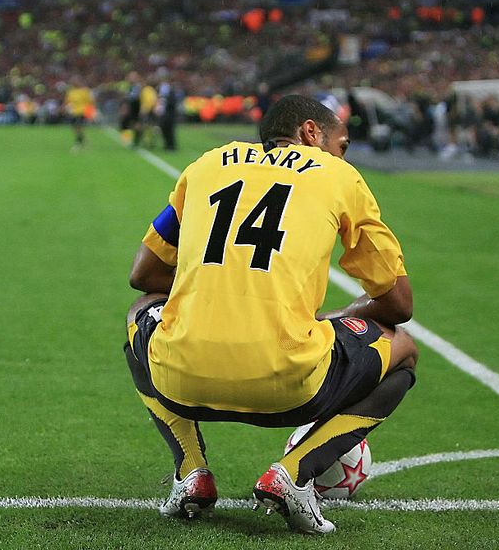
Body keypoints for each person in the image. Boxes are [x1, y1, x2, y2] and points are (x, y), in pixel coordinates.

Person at [123, 95, 418, 534]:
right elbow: (399, 304)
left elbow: (143, 274)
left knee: (138, 314)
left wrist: (211, 287)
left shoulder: (209, 164)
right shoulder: (339, 176)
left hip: (181, 380)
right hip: (292, 388)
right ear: (311, 133)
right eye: (343, 144)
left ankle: (191, 471)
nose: (342, 155)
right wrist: (346, 312)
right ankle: (295, 473)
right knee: (405, 350)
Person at [64, 77, 94, 150]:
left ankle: (78, 143)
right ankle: (84, 141)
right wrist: (66, 108)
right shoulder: (71, 91)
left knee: (78, 126)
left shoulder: (85, 91)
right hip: (74, 112)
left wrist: (90, 114)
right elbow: (67, 102)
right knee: (75, 128)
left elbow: (90, 103)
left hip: (82, 111)